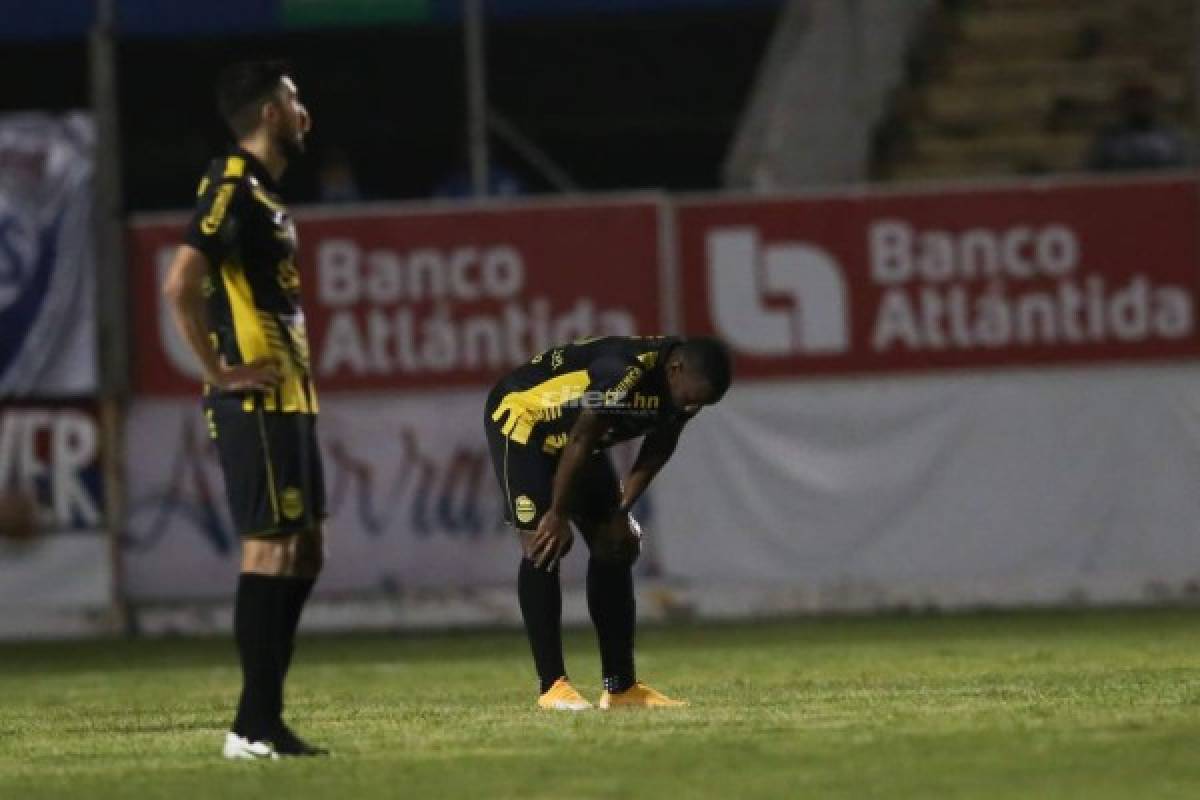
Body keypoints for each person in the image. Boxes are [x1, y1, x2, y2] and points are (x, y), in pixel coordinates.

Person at [162, 60, 327, 759]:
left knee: (305, 550)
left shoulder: (262, 193)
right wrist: (219, 372)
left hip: (291, 394)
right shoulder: (229, 182)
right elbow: (181, 283)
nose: (304, 112)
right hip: (255, 398)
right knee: (271, 546)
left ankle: (263, 719)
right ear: (267, 113)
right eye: (294, 100)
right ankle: (250, 726)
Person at [484, 335, 732, 710]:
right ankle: (552, 686)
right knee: (547, 543)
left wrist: (621, 507)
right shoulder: (624, 374)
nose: (692, 406)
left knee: (618, 543)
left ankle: (621, 688)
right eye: (690, 398)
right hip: (524, 422)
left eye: (702, 403)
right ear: (675, 369)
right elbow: (583, 436)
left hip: (577, 442)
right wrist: (557, 513)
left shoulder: (688, 389)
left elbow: (660, 445)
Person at [1086, 82, 1191, 172]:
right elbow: (1091, 174)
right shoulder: (1108, 139)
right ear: (1122, 104)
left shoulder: (1172, 137)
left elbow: (1187, 170)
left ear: (1155, 102)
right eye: (1134, 99)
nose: (1140, 105)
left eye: (1145, 99)